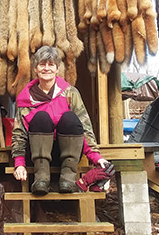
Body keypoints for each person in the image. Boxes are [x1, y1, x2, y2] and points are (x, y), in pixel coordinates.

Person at [11, 46, 111, 195]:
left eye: (51, 65)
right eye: (42, 65)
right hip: (37, 155)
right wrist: (19, 164)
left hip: (65, 153)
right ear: (36, 69)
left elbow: (84, 126)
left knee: (70, 118)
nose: (46, 68)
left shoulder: (70, 93)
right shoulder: (26, 99)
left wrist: (96, 156)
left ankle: (68, 178)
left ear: (57, 69)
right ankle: (41, 179)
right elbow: (19, 135)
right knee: (41, 118)